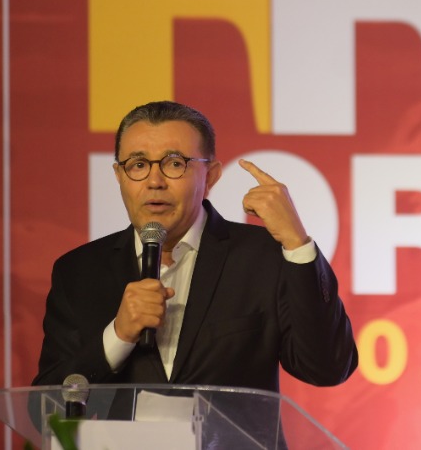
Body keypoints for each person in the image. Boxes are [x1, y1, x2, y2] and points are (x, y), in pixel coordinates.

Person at [33, 100, 358, 394]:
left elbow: (328, 368)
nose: (155, 181)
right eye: (138, 165)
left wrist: (297, 245)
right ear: (119, 175)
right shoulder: (79, 272)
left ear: (211, 176)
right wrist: (118, 336)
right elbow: (45, 408)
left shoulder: (262, 258)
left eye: (175, 164)